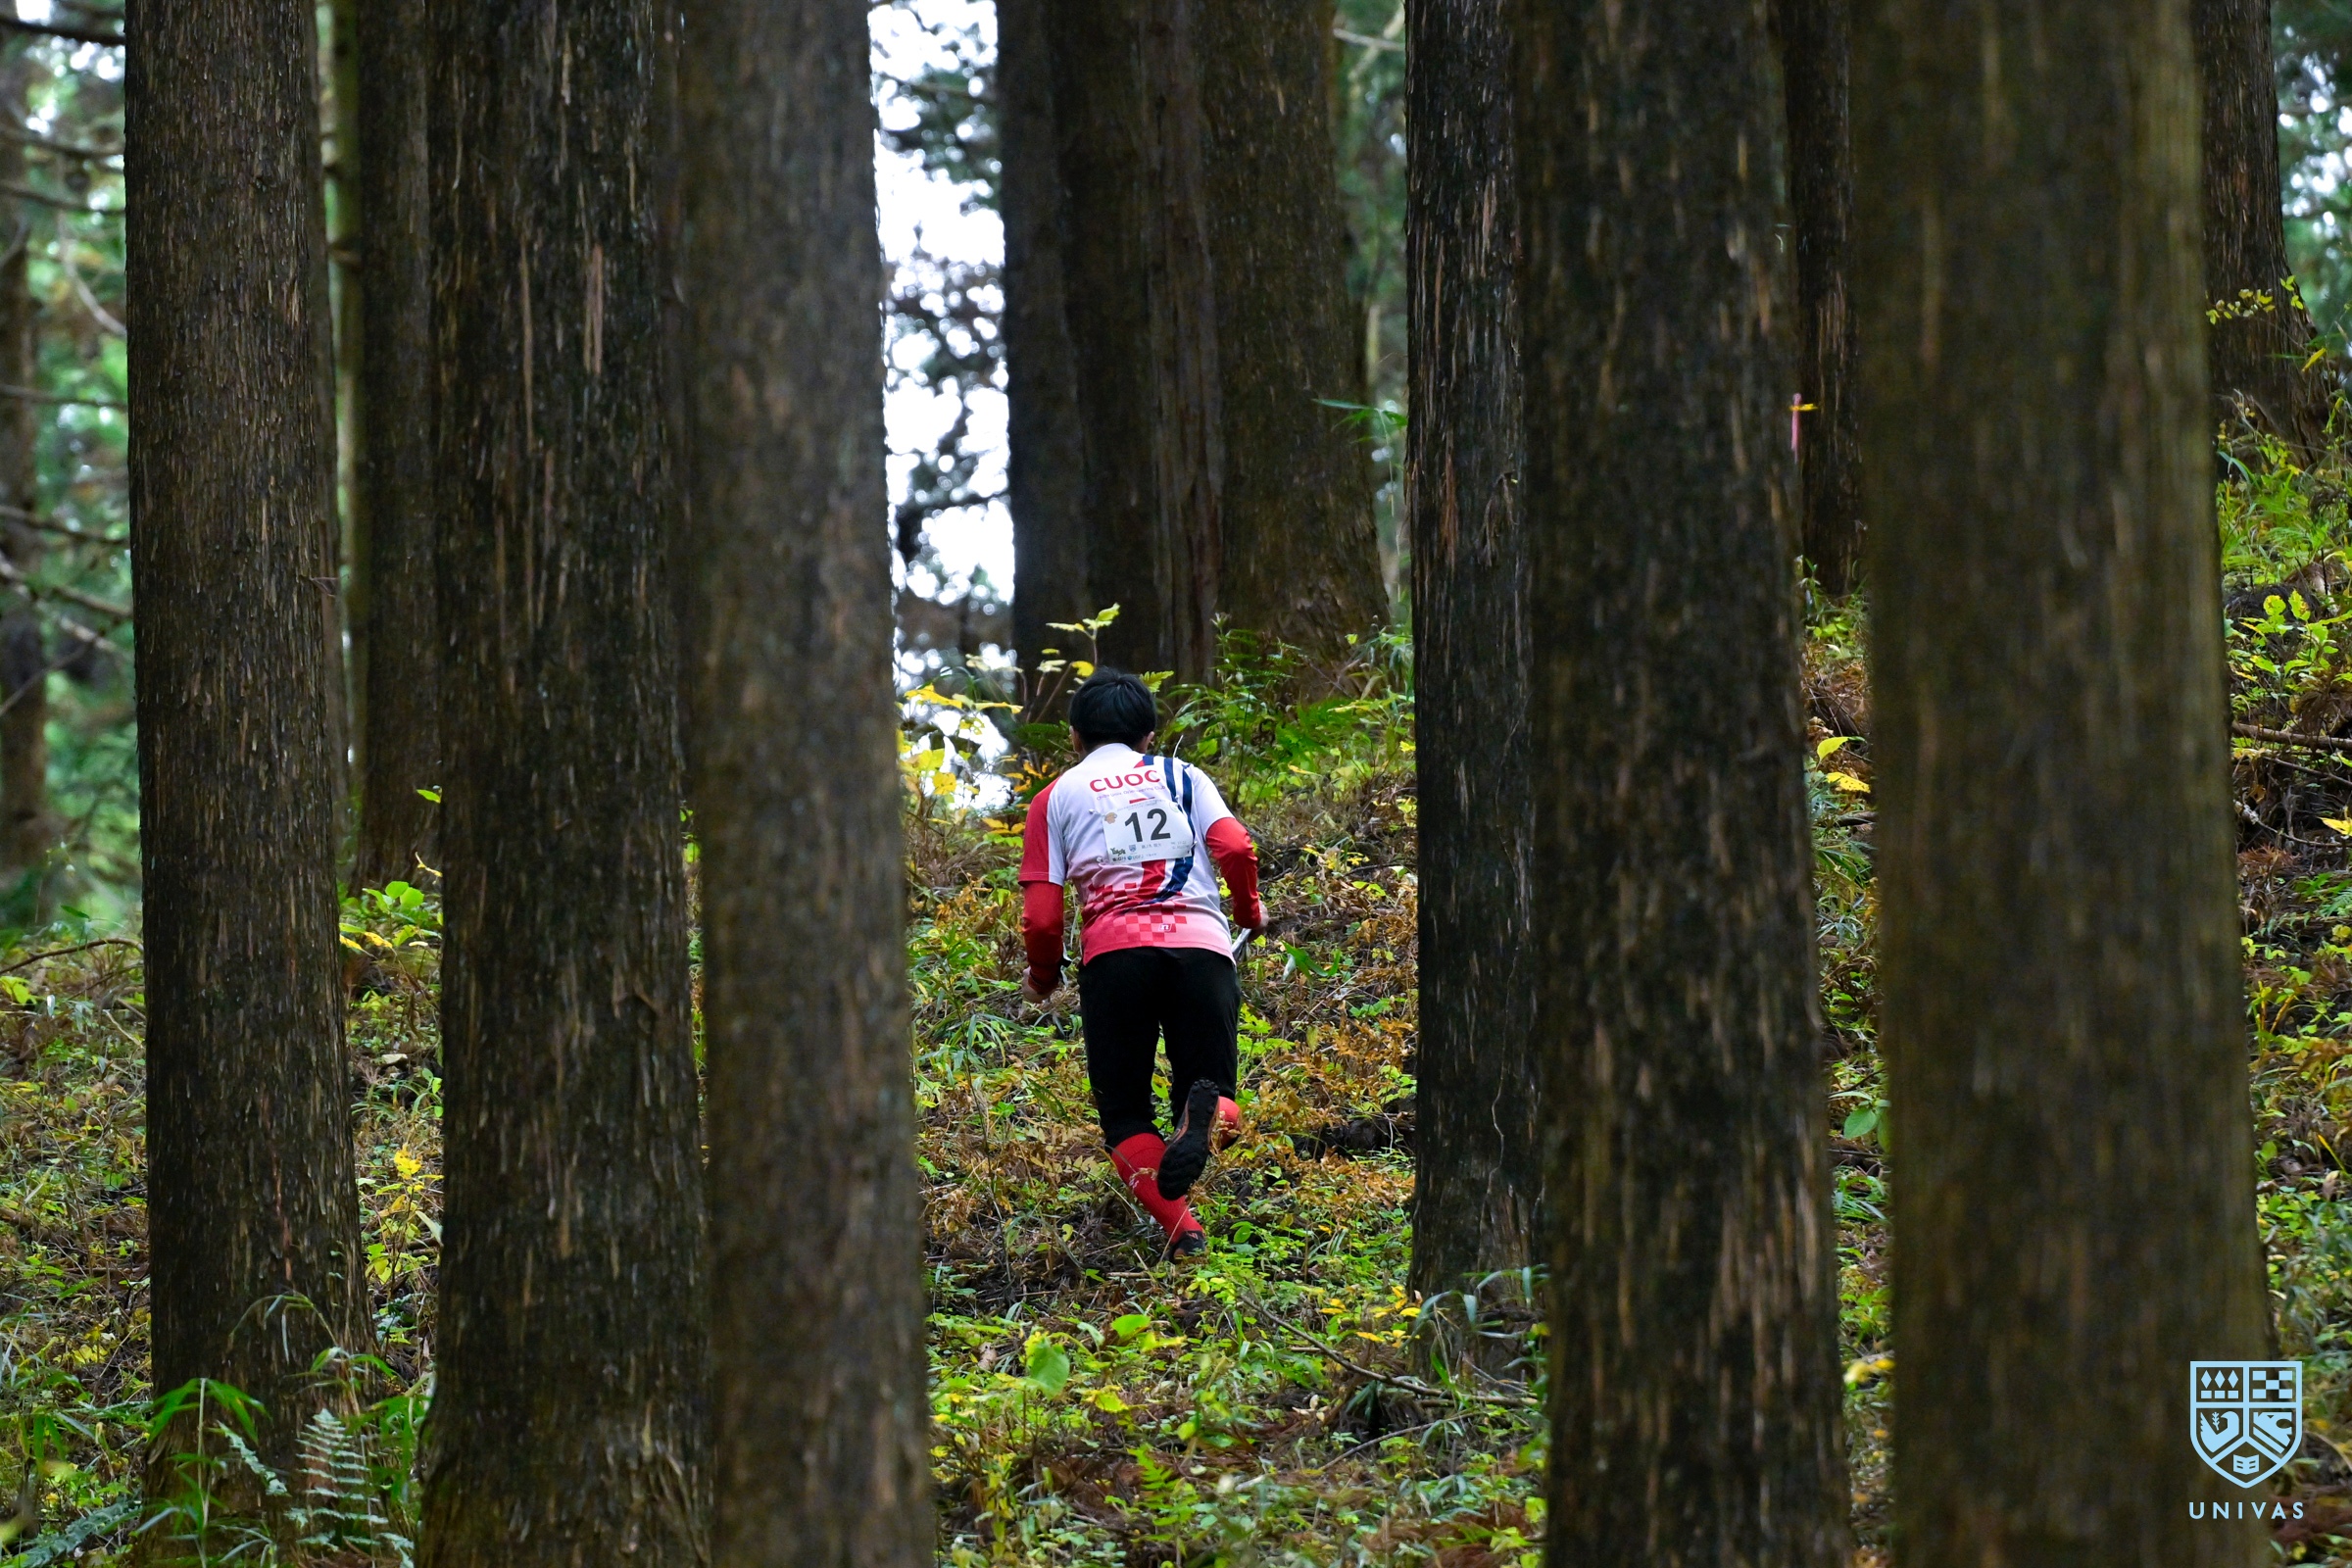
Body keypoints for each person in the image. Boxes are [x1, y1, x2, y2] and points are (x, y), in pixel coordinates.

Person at [1018, 669, 1265, 1257]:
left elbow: (1043, 919)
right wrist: (1249, 910)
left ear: (1074, 736)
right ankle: (1204, 1121)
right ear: (1150, 734)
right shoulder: (1185, 776)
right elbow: (1234, 846)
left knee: (1126, 1113)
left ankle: (1185, 1236)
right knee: (1212, 1090)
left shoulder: (1054, 798)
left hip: (1116, 960)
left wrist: (1043, 976)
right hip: (1201, 950)